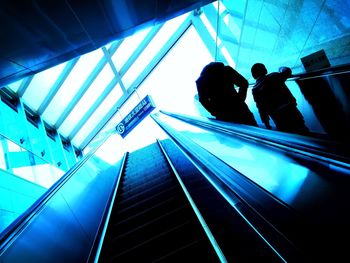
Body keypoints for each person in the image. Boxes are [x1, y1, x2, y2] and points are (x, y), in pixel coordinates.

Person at [251, 63, 309, 135]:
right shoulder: (274, 76)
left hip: (277, 117)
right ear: (264, 70)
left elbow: (261, 108)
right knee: (302, 129)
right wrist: (281, 68)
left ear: (253, 75)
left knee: (287, 134)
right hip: (291, 110)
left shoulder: (255, 89)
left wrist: (266, 123)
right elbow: (287, 71)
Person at [196, 62, 257, 126]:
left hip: (222, 114)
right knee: (254, 131)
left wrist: (214, 112)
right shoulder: (226, 70)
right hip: (240, 109)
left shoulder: (201, 81)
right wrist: (240, 100)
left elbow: (203, 100)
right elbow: (244, 83)